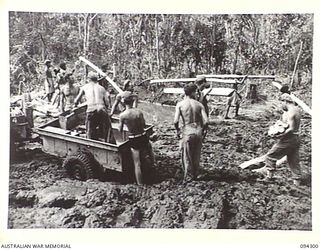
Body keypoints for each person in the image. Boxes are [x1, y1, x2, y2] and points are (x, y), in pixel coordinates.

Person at [262, 93, 302, 185]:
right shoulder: (297, 110)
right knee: (293, 160)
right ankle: (297, 181)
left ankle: (269, 177)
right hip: (296, 137)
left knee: (270, 156)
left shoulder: (291, 112)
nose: (281, 105)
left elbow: (291, 128)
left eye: (281, 103)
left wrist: (279, 135)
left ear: (285, 101)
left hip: (289, 139)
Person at [174, 83, 209, 181]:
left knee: (187, 155)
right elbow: (206, 121)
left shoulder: (180, 104)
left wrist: (177, 130)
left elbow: (175, 121)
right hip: (198, 130)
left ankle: (188, 177)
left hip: (187, 130)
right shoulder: (199, 104)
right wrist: (204, 131)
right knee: (196, 154)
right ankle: (195, 174)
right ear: (193, 92)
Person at [119, 94, 154, 185]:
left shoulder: (123, 115)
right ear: (132, 102)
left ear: (123, 103)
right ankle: (153, 169)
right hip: (142, 136)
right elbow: (144, 124)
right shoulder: (138, 112)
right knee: (149, 152)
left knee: (137, 164)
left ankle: (140, 184)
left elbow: (120, 129)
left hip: (133, 138)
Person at [74, 71, 115, 143]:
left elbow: (76, 100)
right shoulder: (101, 88)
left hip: (91, 109)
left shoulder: (85, 87)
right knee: (107, 129)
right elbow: (107, 100)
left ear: (88, 79)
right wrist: (107, 108)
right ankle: (108, 143)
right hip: (101, 109)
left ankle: (90, 144)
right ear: (97, 79)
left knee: (90, 130)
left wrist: (76, 105)